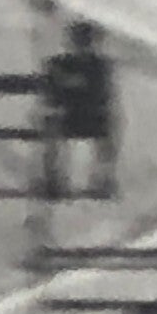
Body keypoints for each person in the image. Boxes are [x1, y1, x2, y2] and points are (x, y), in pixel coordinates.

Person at [41, 20, 117, 200]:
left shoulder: (100, 65)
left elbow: (103, 94)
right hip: (71, 117)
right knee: (52, 126)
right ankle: (56, 180)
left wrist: (69, 85)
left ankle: (103, 177)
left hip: (88, 116)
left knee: (109, 125)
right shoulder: (60, 64)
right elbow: (52, 94)